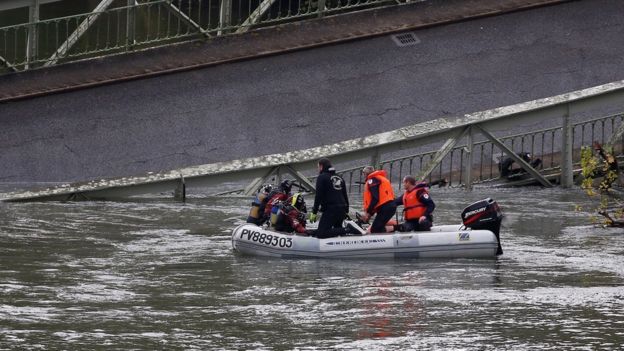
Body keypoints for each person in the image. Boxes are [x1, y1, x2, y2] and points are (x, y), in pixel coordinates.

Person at [309, 158, 363, 237]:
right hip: (342, 209)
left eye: (318, 167)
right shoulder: (340, 178)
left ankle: (348, 229)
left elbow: (318, 196)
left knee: (322, 233)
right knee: (337, 229)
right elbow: (345, 194)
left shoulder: (322, 177)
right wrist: (346, 209)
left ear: (321, 166)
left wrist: (314, 212)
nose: (318, 169)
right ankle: (344, 234)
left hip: (331, 210)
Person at [360, 165, 397, 233]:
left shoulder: (372, 180)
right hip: (389, 207)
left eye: (363, 173)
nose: (363, 175)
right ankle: (394, 228)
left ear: (366, 173)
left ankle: (397, 227)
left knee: (375, 229)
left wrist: (368, 212)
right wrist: (370, 214)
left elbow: (375, 199)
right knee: (377, 226)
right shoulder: (380, 178)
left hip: (386, 208)